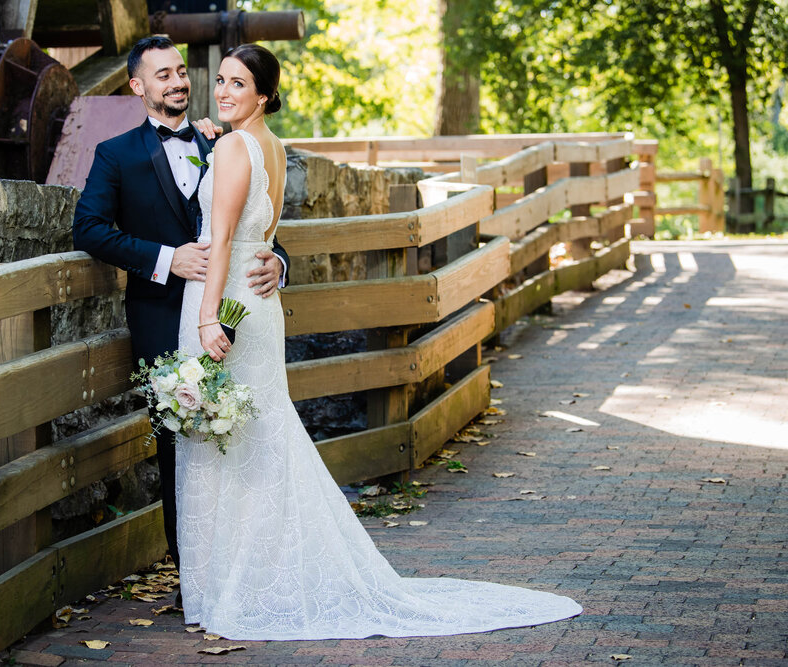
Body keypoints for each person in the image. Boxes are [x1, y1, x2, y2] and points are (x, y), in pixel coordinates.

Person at [175, 43, 582, 640]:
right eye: (222, 82)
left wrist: (210, 315)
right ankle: (257, 571)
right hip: (259, 302)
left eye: (239, 84)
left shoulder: (236, 146)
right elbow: (268, 231)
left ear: (263, 94)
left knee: (230, 438)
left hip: (229, 303)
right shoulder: (269, 146)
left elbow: (225, 236)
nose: (225, 92)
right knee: (254, 434)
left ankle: (238, 583)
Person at [71, 36, 291, 579]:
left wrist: (279, 263)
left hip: (226, 313)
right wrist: (168, 259)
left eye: (181, 72)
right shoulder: (115, 154)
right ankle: (190, 571)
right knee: (178, 444)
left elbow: (251, 225)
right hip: (160, 314)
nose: (178, 82)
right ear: (138, 87)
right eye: (162, 75)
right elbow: (89, 229)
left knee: (241, 432)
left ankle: (246, 564)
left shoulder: (223, 141)